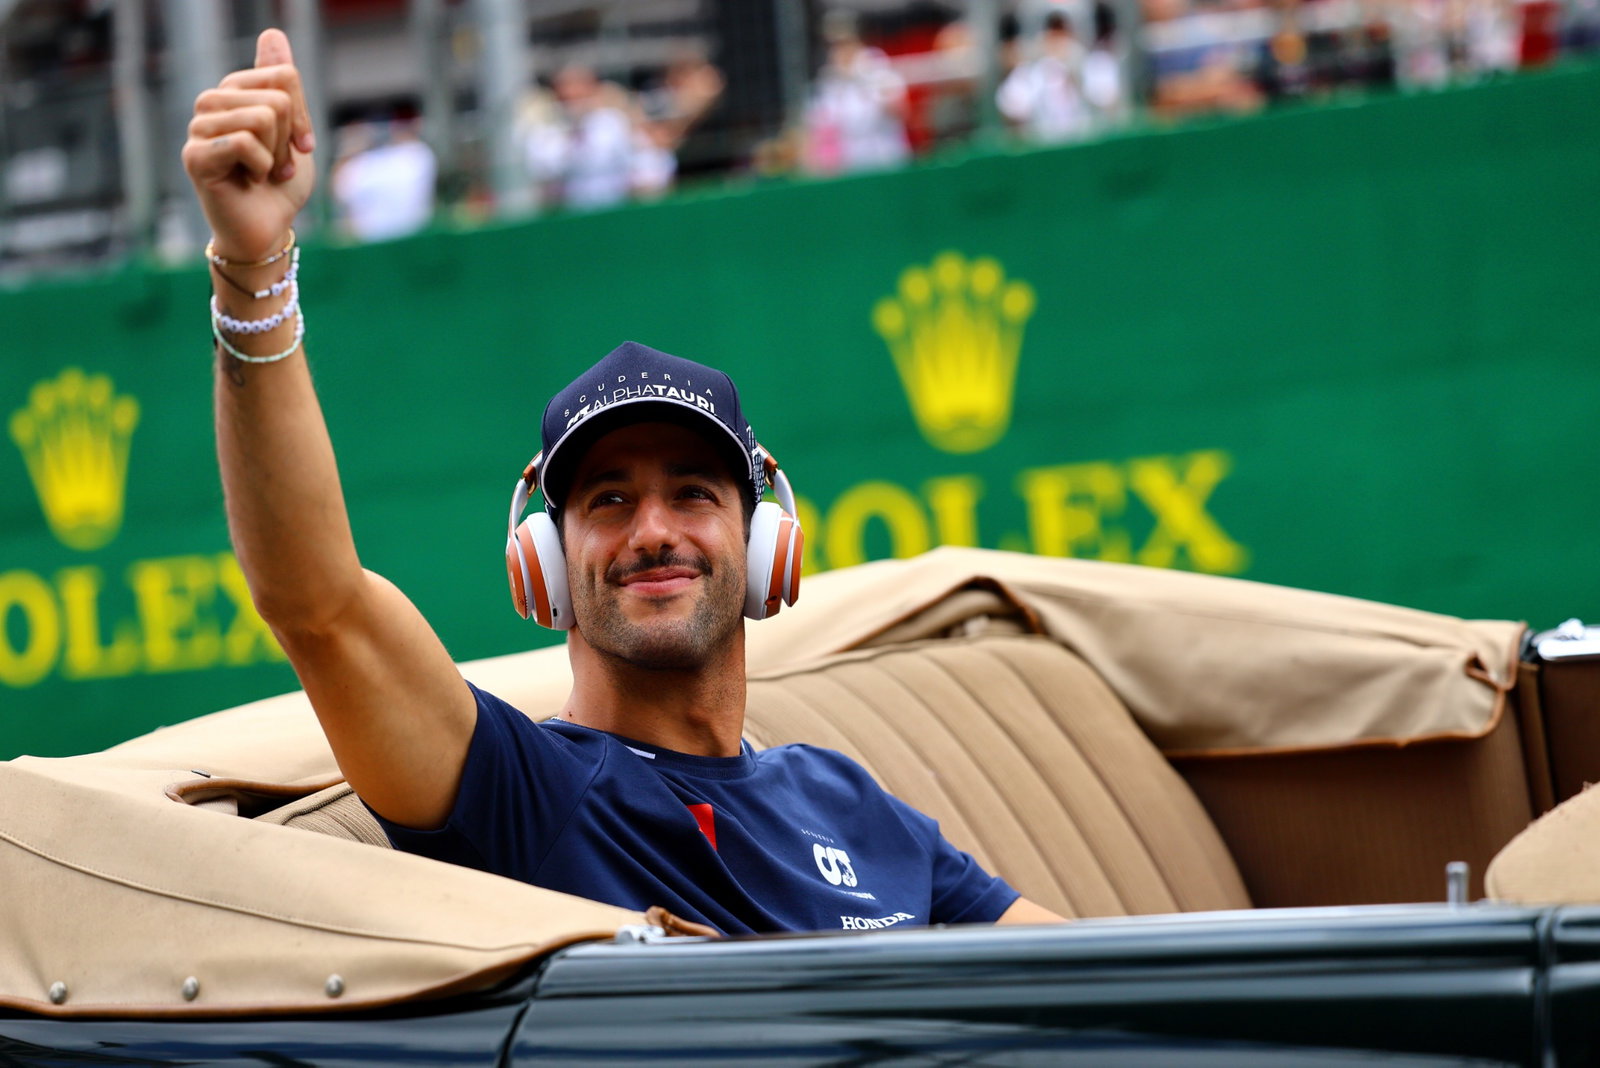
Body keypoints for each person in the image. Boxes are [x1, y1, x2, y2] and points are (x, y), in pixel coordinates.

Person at [181, 29, 1063, 936]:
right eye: (608, 500)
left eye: (692, 491)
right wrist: (253, 273)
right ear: (544, 558)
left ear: (764, 542)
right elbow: (317, 603)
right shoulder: (523, 792)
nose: (652, 531)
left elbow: (1091, 973)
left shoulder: (842, 796)